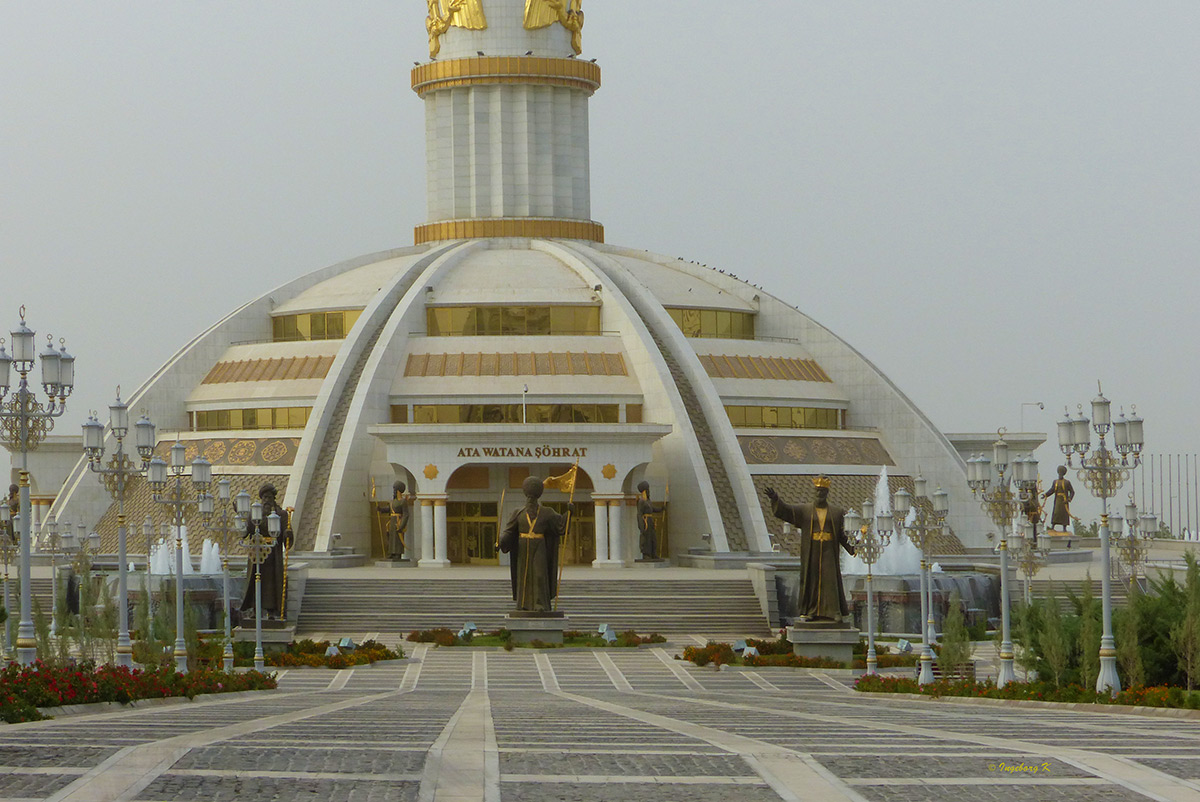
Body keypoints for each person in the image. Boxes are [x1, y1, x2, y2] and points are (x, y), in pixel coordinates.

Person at [764, 476, 856, 622]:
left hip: (828, 551)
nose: (820, 494)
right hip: (812, 550)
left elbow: (842, 535)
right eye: (817, 491)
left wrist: (853, 548)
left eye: (822, 491)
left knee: (830, 580)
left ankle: (834, 611)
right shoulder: (805, 510)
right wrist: (775, 499)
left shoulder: (837, 512)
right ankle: (810, 611)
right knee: (812, 580)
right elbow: (787, 510)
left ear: (827, 493)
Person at [499, 477, 569, 613]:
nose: (530, 499)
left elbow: (561, 525)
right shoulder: (518, 513)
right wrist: (501, 541)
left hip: (540, 546)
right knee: (523, 576)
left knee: (539, 575)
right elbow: (509, 531)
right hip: (523, 547)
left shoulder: (547, 512)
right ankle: (523, 604)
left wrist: (569, 513)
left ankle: (540, 604)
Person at [240, 484, 294, 620]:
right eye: (264, 497)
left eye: (269, 497)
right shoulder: (255, 513)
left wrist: (288, 534)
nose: (267, 500)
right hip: (256, 553)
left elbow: (287, 536)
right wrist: (241, 518)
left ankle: (272, 611)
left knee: (271, 583)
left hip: (272, 555)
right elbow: (246, 532)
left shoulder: (281, 514)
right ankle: (254, 609)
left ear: (274, 498)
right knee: (255, 581)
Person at [1042, 466, 1075, 532]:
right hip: (1057, 500)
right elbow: (1052, 490)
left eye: (1061, 473)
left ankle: (1064, 528)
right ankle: (1053, 526)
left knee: (1064, 513)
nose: (1060, 474)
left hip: (1064, 500)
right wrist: (1045, 495)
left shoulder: (1067, 482)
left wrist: (1069, 499)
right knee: (1056, 512)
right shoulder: (1055, 482)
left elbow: (1072, 492)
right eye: (1059, 473)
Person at [636, 481, 664, 560]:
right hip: (646, 522)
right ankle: (646, 554)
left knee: (653, 538)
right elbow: (639, 514)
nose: (649, 492)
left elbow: (652, 509)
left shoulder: (648, 501)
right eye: (647, 490)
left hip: (650, 521)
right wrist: (642, 526)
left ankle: (653, 553)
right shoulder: (641, 501)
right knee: (646, 538)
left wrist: (661, 509)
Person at [387, 481, 412, 560]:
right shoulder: (393, 501)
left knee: (398, 538)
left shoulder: (403, 501)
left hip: (398, 521)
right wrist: (380, 509)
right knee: (391, 537)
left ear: (398, 491)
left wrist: (402, 525)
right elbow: (389, 509)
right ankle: (391, 552)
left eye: (394, 489)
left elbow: (406, 514)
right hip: (392, 521)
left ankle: (398, 553)